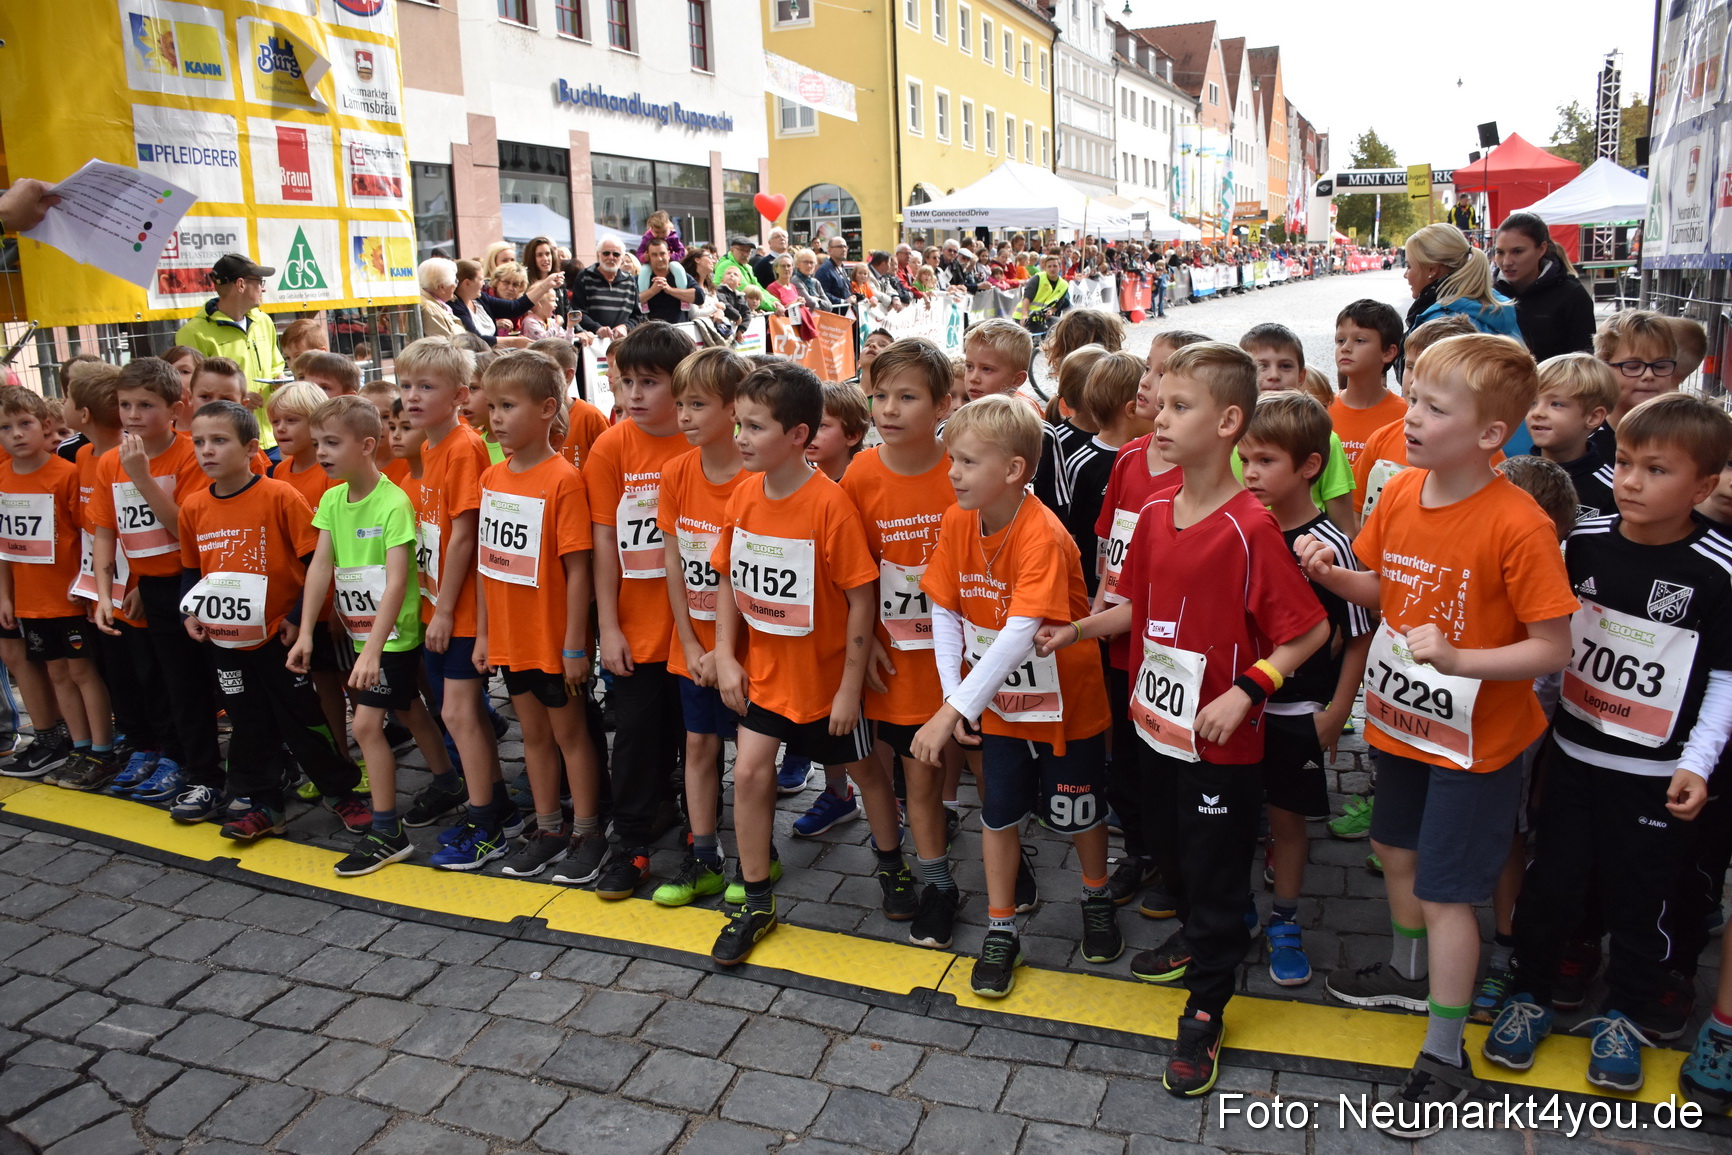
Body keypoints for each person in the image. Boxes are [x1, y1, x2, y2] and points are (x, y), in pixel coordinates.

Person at [1296, 334, 1576, 1136]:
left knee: (1450, 892)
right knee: (1397, 855)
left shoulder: (1517, 523)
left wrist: (1462, 656)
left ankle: (1445, 1052)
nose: (1410, 416)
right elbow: (1381, 586)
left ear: (1492, 434)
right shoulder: (1403, 491)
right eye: (1412, 397)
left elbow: (1553, 646)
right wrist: (1330, 572)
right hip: (1400, 724)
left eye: (1431, 406)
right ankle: (1408, 970)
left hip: (1477, 746)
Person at [1044, 344, 1328, 1097]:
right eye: (1156, 402)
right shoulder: (1160, 509)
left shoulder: (1251, 527)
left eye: (1177, 406)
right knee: (1168, 846)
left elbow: (1308, 630)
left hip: (1221, 742)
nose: (1156, 416)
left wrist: (1248, 689)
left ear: (1229, 421)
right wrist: (1075, 630)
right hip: (1152, 722)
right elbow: (1135, 603)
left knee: (1212, 859)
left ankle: (1208, 997)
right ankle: (1202, 930)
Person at [1485, 393, 1732, 1093]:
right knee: (1551, 883)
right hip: (1571, 756)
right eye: (1624, 461)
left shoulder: (1718, 570)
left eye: (1655, 470)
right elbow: (1547, 642)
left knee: (1641, 896)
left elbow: (1724, 678)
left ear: (1704, 486)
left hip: (1654, 775)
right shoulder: (1581, 541)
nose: (1628, 480)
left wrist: (1696, 762)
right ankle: (1528, 993)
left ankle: (1626, 1010)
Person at [913, 393, 1119, 1000]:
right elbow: (944, 607)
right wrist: (959, 699)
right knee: (997, 813)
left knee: (1081, 813)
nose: (952, 472)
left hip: (1066, 703)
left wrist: (952, 710)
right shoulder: (957, 519)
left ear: (1013, 470)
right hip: (998, 703)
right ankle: (1001, 928)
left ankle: (1095, 893)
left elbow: (1020, 633)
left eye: (968, 462)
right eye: (952, 459)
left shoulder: (1044, 536)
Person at [709, 361, 904, 965]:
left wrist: (849, 689)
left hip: (826, 684)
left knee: (868, 773)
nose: (740, 437)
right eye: (738, 424)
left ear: (798, 435)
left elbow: (860, 596)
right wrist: (724, 653)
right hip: (767, 677)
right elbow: (726, 581)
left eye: (755, 427)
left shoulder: (829, 505)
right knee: (747, 774)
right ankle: (757, 896)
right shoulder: (744, 494)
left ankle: (893, 865)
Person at [176, 398, 369, 839]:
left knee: (304, 719)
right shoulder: (192, 507)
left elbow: (316, 560)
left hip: (279, 638)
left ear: (250, 449)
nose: (207, 450)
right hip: (227, 642)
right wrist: (190, 611)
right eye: (200, 442)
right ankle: (264, 804)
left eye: (219, 441)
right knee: (247, 722)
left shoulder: (279, 495)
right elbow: (192, 568)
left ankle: (341, 793)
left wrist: (300, 618)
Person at [1236, 392, 1373, 988]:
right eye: (1244, 458)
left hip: (1298, 708)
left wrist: (1339, 709)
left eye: (1265, 460)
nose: (1250, 472)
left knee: (1289, 822)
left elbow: (1359, 635)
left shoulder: (1332, 545)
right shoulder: (1237, 526)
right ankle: (1236, 908)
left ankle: (1285, 921)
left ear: (1309, 467)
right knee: (1235, 815)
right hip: (1236, 707)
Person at [289, 396, 453, 875]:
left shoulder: (393, 502)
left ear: (365, 445)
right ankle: (447, 779)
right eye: (317, 442)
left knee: (364, 727)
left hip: (393, 637)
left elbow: (399, 581)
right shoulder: (332, 499)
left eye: (331, 443)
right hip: (362, 634)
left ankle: (387, 831)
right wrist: (304, 632)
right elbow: (321, 565)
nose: (320, 451)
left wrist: (375, 650)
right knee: (409, 707)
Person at [838, 339, 963, 947]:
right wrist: (863, 645)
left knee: (924, 776)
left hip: (945, 660)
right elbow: (848, 569)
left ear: (943, 404)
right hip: (881, 658)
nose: (888, 408)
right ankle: (893, 864)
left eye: (906, 396)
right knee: (873, 769)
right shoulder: (861, 472)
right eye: (880, 395)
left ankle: (939, 882)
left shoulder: (961, 468)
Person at [473, 351, 606, 881]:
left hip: (552, 639)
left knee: (571, 735)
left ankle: (589, 831)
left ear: (548, 408)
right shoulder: (491, 478)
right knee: (533, 736)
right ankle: (549, 827)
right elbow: (489, 563)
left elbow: (579, 571)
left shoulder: (564, 479)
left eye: (508, 405)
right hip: (511, 637)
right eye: (492, 406)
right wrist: (485, 634)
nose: (496, 417)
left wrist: (576, 645)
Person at [583, 322, 694, 897]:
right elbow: (603, 539)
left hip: (699, 628)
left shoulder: (704, 439)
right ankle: (629, 841)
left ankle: (704, 838)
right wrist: (608, 626)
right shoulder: (612, 445)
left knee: (698, 739)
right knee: (634, 735)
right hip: (637, 624)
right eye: (626, 381)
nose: (633, 396)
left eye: (648, 382)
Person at [393, 339, 510, 869]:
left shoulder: (463, 446)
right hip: (438, 602)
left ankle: (488, 824)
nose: (411, 397)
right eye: (406, 386)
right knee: (462, 715)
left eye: (426, 387)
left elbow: (467, 535)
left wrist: (444, 611)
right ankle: (496, 806)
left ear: (461, 395)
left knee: (460, 713)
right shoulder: (429, 446)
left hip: (460, 610)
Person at [90, 359, 224, 820]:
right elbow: (106, 531)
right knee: (164, 681)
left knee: (204, 683)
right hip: (145, 587)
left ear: (174, 409)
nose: (131, 415)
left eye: (144, 405)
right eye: (125, 405)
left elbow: (184, 530)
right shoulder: (110, 462)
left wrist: (143, 477)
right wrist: (104, 593)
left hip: (192, 582)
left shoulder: (190, 454)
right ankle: (178, 758)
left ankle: (216, 769)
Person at [653, 347, 751, 906]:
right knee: (698, 745)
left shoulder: (754, 478)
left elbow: (742, 575)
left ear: (735, 409)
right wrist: (691, 642)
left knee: (749, 754)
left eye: (697, 404)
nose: (684, 415)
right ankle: (706, 855)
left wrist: (723, 649)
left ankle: (755, 855)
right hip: (692, 646)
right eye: (681, 403)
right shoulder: (676, 472)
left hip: (745, 648)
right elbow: (674, 559)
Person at [0, 387, 115, 791]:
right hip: (30, 602)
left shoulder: (64, 475)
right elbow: (5, 546)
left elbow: (87, 535)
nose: (16, 434)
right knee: (56, 672)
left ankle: (102, 748)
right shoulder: (2, 477)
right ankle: (79, 746)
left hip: (66, 597)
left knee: (83, 671)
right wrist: (6, 595)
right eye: (5, 428)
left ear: (46, 425)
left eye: (25, 424)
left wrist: (88, 590)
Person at [1237, 323, 1356, 535]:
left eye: (1285, 366)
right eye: (1261, 366)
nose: (1273, 375)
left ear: (1301, 376)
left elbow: (1344, 528)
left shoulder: (1325, 440)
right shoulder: (1228, 438)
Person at [961, 319, 1068, 516]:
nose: (973, 377)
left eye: (987, 369)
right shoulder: (951, 429)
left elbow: (1056, 504)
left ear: (1017, 379)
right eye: (969, 366)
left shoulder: (1042, 433)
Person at [1401, 224, 1524, 378]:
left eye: (1409, 266)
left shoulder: (1441, 321)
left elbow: (1430, 390)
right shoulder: (1497, 305)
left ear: (1432, 270)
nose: (1406, 275)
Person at [174, 253, 287, 392]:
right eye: (259, 282)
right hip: (224, 414)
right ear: (241, 284)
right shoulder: (192, 333)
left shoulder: (263, 321)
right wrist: (238, 399)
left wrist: (278, 376)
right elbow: (194, 388)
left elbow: (276, 365)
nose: (263, 288)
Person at [1526, 353, 1619, 520]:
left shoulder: (1613, 489)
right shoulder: (1511, 477)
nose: (1537, 412)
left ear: (1593, 417)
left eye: (1556, 404)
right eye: (1532, 402)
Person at [1493, 212, 1596, 363]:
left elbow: (1584, 366)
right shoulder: (1488, 293)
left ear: (1541, 249)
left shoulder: (1572, 295)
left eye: (1517, 251)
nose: (1507, 261)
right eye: (1500, 252)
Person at [1329, 300, 1407, 475]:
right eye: (1340, 340)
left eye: (1359, 340)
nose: (1345, 348)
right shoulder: (1322, 411)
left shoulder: (1405, 415)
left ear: (1388, 352)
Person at [1593, 310, 1684, 461]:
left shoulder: (1688, 437)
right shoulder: (1584, 444)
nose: (1649, 375)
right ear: (1603, 368)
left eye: (1660, 366)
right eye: (1633, 366)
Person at [570, 240, 646, 338]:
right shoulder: (584, 277)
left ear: (622, 257)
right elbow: (577, 312)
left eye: (616, 254)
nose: (611, 257)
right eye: (606, 253)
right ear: (598, 255)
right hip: (592, 344)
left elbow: (638, 315)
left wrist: (625, 327)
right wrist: (597, 328)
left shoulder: (629, 280)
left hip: (622, 343)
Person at [802, 381, 868, 485]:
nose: (809, 433)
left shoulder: (864, 487)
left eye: (821, 425)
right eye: (806, 424)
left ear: (852, 436)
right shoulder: (798, 484)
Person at [638, 236, 703, 326]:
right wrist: (652, 291)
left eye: (662, 254)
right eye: (654, 255)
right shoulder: (640, 278)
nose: (659, 258)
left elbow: (700, 297)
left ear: (668, 254)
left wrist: (669, 289)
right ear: (648, 256)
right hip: (651, 333)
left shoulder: (681, 275)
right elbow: (630, 302)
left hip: (679, 331)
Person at [1015, 254, 1071, 335]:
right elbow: (1027, 298)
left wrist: (1051, 311)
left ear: (1059, 267)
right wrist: (1024, 315)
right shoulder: (1037, 278)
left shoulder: (1064, 285)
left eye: (1055, 266)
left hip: (1040, 319)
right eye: (1049, 266)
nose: (1052, 269)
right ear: (1045, 268)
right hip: (1023, 318)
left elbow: (1058, 304)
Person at [417, 258, 466, 341]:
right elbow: (450, 344)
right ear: (442, 287)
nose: (456, 285)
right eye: (455, 281)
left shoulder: (433, 304)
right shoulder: (430, 309)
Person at [817, 237, 855, 306]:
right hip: (835, 313)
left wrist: (861, 297)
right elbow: (823, 294)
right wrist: (843, 301)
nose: (844, 249)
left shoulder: (842, 268)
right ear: (830, 250)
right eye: (840, 246)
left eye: (845, 247)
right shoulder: (825, 270)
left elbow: (845, 291)